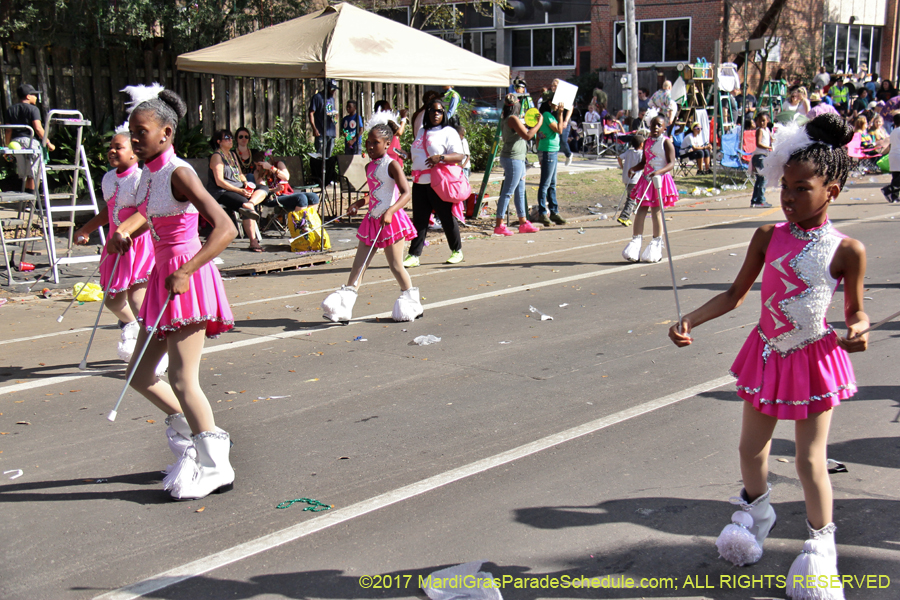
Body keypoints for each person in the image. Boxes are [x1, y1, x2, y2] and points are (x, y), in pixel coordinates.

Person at [669, 114, 867, 599]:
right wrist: (691, 319)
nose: (789, 197)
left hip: (814, 359)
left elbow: (857, 311)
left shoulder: (847, 250)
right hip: (766, 353)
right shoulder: (766, 236)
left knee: (808, 461)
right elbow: (735, 294)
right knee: (749, 452)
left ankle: (821, 552)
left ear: (832, 191)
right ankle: (757, 514)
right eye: (785, 186)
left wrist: (857, 330)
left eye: (802, 189)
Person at [110, 85, 237, 501]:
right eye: (132, 130)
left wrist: (187, 269)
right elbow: (151, 215)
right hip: (163, 274)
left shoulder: (179, 171)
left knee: (183, 379)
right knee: (141, 374)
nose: (134, 137)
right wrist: (125, 234)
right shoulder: (149, 173)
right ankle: (193, 436)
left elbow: (225, 228)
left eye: (140, 130)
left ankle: (217, 465)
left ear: (166, 132)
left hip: (186, 277)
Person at [321, 120, 420, 323]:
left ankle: (411, 299)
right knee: (359, 265)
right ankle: (345, 307)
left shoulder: (392, 164)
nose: (370, 146)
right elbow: (375, 193)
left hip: (391, 221)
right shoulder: (370, 166)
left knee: (395, 265)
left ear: (387, 144)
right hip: (372, 219)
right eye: (368, 142)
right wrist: (359, 202)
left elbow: (406, 193)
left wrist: (391, 211)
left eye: (375, 142)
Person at [74, 130, 156, 366]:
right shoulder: (109, 179)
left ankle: (154, 348)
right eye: (111, 146)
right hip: (114, 244)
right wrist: (86, 229)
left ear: (134, 153)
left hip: (137, 244)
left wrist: (128, 234)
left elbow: (145, 214)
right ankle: (130, 325)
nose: (112, 151)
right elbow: (107, 212)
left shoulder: (141, 179)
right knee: (112, 300)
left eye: (118, 147)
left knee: (138, 298)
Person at [403, 99, 467, 267]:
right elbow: (417, 154)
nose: (436, 114)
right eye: (432, 111)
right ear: (427, 113)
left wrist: (441, 158)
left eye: (439, 111)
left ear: (444, 113)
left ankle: (457, 251)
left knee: (446, 217)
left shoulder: (448, 132)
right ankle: (414, 255)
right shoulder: (422, 131)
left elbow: (460, 156)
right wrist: (407, 156)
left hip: (438, 182)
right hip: (419, 182)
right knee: (419, 220)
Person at [621, 116, 677, 263]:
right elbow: (644, 162)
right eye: (653, 125)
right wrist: (634, 168)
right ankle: (635, 243)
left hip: (659, 180)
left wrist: (658, 172)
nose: (655, 128)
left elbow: (671, 163)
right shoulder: (646, 142)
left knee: (656, 212)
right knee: (640, 210)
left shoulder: (666, 142)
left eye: (659, 125)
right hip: (646, 179)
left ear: (664, 128)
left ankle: (656, 244)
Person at [206, 129, 266, 252]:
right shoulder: (217, 157)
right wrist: (240, 191)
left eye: (231, 137)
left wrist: (245, 184)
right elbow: (219, 182)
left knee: (263, 188)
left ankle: (251, 203)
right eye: (227, 138)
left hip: (238, 187)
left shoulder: (232, 155)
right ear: (219, 142)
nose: (230, 140)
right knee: (245, 204)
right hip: (222, 191)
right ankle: (253, 241)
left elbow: (239, 173)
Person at [493, 93, 543, 236]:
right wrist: (539, 123)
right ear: (516, 106)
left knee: (520, 191)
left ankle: (523, 222)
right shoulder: (513, 119)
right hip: (513, 158)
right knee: (508, 192)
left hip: (517, 158)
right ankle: (499, 225)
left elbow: (522, 131)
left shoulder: (509, 118)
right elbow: (527, 135)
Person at [3, 83, 54, 192]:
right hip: (30, 142)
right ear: (28, 96)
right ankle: (33, 203)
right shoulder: (33, 109)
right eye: (34, 95)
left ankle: (28, 202)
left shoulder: (10, 109)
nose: (36, 97)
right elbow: (38, 128)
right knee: (34, 172)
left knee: (25, 173)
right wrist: (48, 143)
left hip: (16, 143)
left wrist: (7, 147)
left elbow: (8, 130)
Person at [535, 98, 569, 227]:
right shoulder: (547, 115)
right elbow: (559, 130)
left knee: (552, 183)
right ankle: (543, 212)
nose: (558, 105)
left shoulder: (548, 115)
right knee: (545, 183)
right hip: (548, 151)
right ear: (550, 103)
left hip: (551, 151)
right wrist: (560, 114)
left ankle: (554, 211)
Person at [255, 153, 320, 212]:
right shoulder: (257, 173)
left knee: (314, 197)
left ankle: (308, 221)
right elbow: (263, 190)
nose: (257, 168)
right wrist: (275, 189)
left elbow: (286, 177)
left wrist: (270, 168)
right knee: (301, 198)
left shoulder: (278, 164)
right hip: (273, 198)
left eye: (259, 165)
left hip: (287, 194)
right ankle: (299, 224)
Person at [616, 133, 646, 227]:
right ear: (642, 144)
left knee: (631, 196)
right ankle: (624, 216)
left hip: (626, 177)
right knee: (632, 198)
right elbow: (643, 164)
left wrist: (622, 167)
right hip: (635, 179)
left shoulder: (629, 152)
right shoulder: (641, 154)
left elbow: (619, 157)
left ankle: (628, 215)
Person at [308, 79, 338, 157]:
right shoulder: (317, 97)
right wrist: (314, 128)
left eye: (334, 89)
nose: (333, 91)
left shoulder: (332, 99)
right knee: (320, 156)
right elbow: (311, 113)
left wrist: (335, 119)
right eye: (331, 88)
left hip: (331, 133)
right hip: (321, 132)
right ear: (326, 87)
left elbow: (332, 114)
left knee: (329, 157)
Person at [751, 113, 773, 208]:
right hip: (760, 156)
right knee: (763, 179)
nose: (762, 123)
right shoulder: (759, 130)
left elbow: (771, 139)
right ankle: (760, 201)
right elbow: (758, 143)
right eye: (760, 121)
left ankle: (755, 200)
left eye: (764, 120)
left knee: (760, 180)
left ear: (768, 121)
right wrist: (769, 147)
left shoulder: (767, 130)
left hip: (764, 155)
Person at [880, 113, 900, 202]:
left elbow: (891, 145)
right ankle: (888, 189)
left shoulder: (894, 131)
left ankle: (894, 196)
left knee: (896, 176)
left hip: (893, 155)